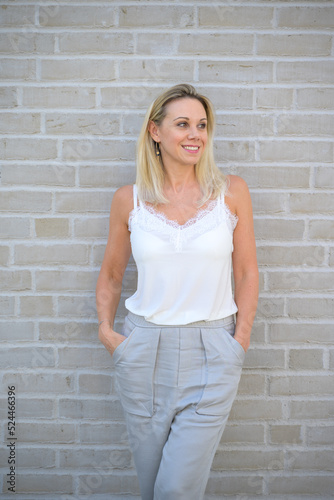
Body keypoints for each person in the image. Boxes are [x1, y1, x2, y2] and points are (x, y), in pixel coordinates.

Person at [96, 83, 259, 500]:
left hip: (214, 350)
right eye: (182, 124)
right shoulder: (127, 200)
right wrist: (108, 333)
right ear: (155, 132)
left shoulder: (232, 192)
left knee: (175, 491)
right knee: (152, 488)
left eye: (202, 125)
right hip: (143, 348)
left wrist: (238, 341)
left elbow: (246, 272)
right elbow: (112, 274)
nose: (195, 135)